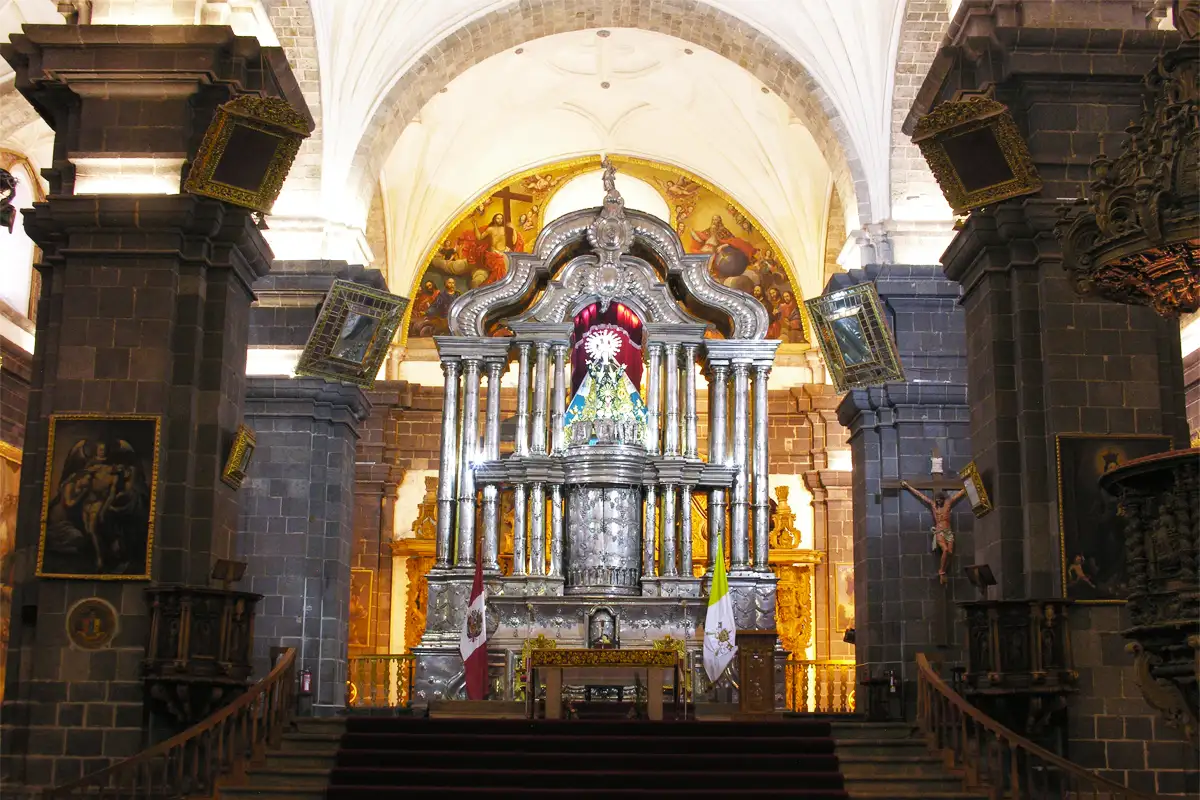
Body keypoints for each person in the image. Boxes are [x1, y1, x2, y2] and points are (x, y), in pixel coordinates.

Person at [900, 481, 966, 584]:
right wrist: (908, 486)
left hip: (948, 531)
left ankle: (943, 570)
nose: (938, 502)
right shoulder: (933, 506)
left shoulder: (948, 504)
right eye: (937, 500)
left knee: (950, 552)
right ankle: (941, 571)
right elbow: (920, 495)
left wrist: (969, 485)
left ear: (943, 500)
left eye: (940, 500)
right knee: (944, 550)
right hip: (939, 531)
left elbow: (958, 495)